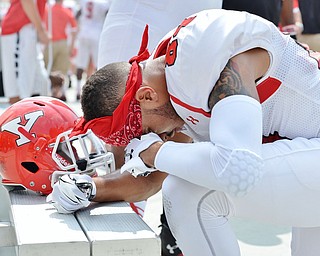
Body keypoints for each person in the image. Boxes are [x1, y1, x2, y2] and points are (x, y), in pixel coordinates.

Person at [47, 9, 320, 255]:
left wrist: (155, 153)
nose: (151, 137)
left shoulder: (203, 59)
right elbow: (154, 177)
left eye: (144, 131)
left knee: (187, 193)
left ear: (147, 96)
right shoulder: (171, 88)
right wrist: (91, 188)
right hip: (307, 152)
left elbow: (239, 169)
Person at [0, 0, 50, 105]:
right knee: (20, 90)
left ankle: (34, 117)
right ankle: (18, 119)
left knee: (40, 82)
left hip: (28, 28)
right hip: (18, 29)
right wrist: (40, 30)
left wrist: (41, 29)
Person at [74, 0, 111, 100]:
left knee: (80, 64)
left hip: (83, 32)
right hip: (96, 33)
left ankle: (77, 90)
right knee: (97, 64)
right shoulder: (104, 3)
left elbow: (77, 14)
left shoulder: (84, 1)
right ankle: (97, 91)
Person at [43, 0, 78, 102]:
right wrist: (71, 47)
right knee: (62, 71)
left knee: (48, 70)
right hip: (63, 43)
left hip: (50, 42)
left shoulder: (48, 10)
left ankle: (52, 92)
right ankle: (60, 93)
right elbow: (74, 30)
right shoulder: (66, 11)